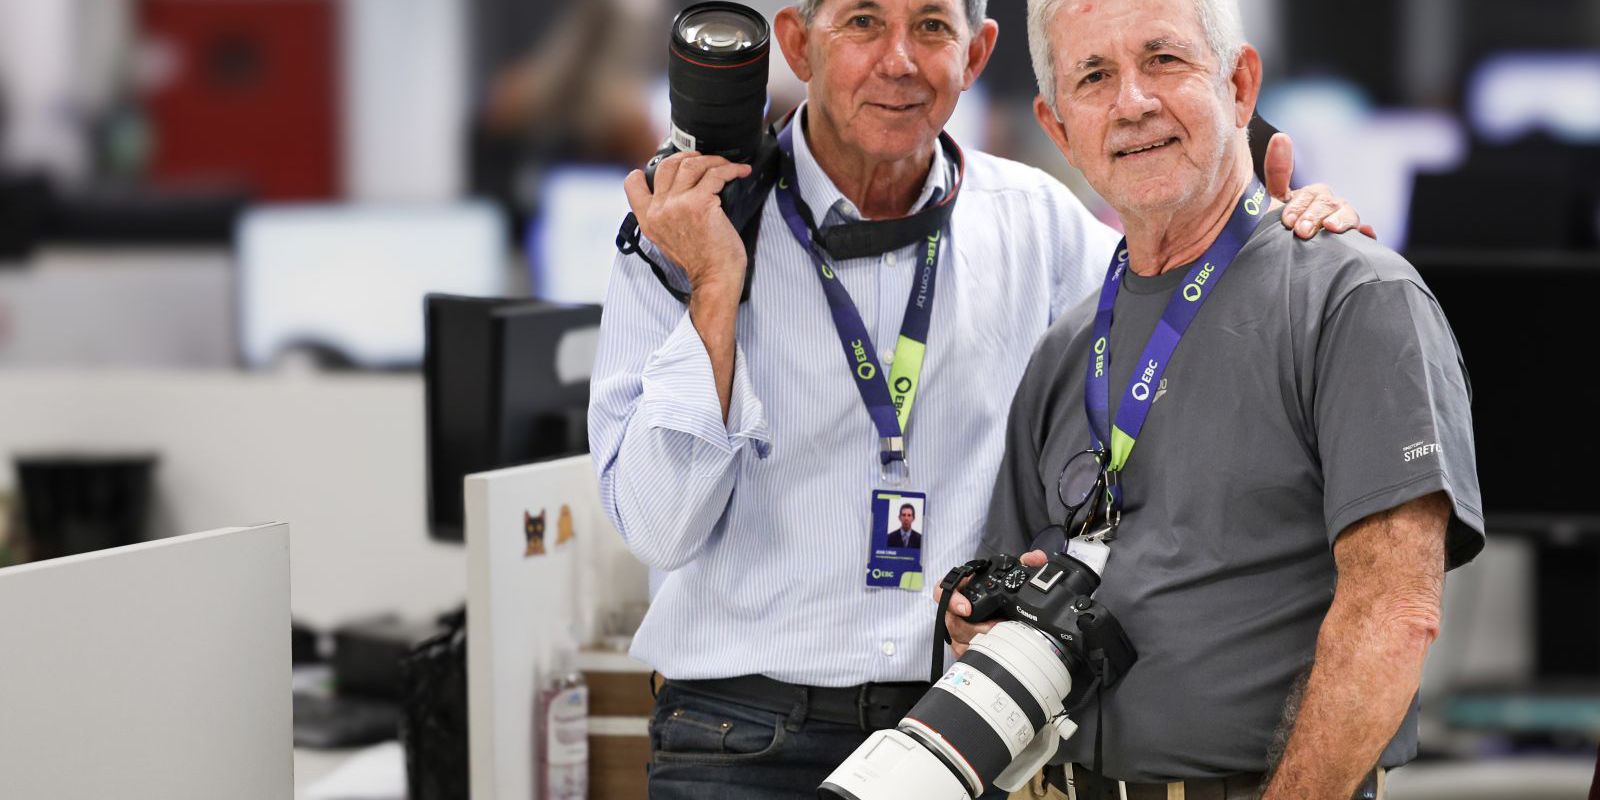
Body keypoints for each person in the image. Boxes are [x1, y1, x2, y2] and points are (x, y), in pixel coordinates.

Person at [589, 0, 1361, 796]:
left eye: (931, 26)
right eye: (862, 22)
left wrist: (1292, 240)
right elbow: (658, 525)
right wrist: (714, 289)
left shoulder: (1040, 226)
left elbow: (1197, 327)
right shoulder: (687, 224)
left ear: (976, 53)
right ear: (797, 44)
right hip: (737, 738)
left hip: (970, 732)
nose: (899, 60)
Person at [944, 1, 1486, 798]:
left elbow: (1394, 613)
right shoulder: (1065, 348)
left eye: (1163, 60)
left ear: (1239, 85)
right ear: (1058, 128)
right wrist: (977, 620)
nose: (1132, 102)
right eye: (1093, 77)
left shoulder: (1354, 299)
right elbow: (1005, 601)